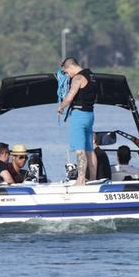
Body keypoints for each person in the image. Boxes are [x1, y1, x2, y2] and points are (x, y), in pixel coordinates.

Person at [56, 57, 97, 185]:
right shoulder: (91, 76)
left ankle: (81, 179)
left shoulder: (77, 78)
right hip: (90, 114)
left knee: (80, 149)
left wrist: (60, 107)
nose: (68, 75)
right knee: (89, 149)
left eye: (67, 72)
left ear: (70, 67)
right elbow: (95, 97)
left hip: (79, 115)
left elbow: (69, 98)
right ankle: (94, 178)